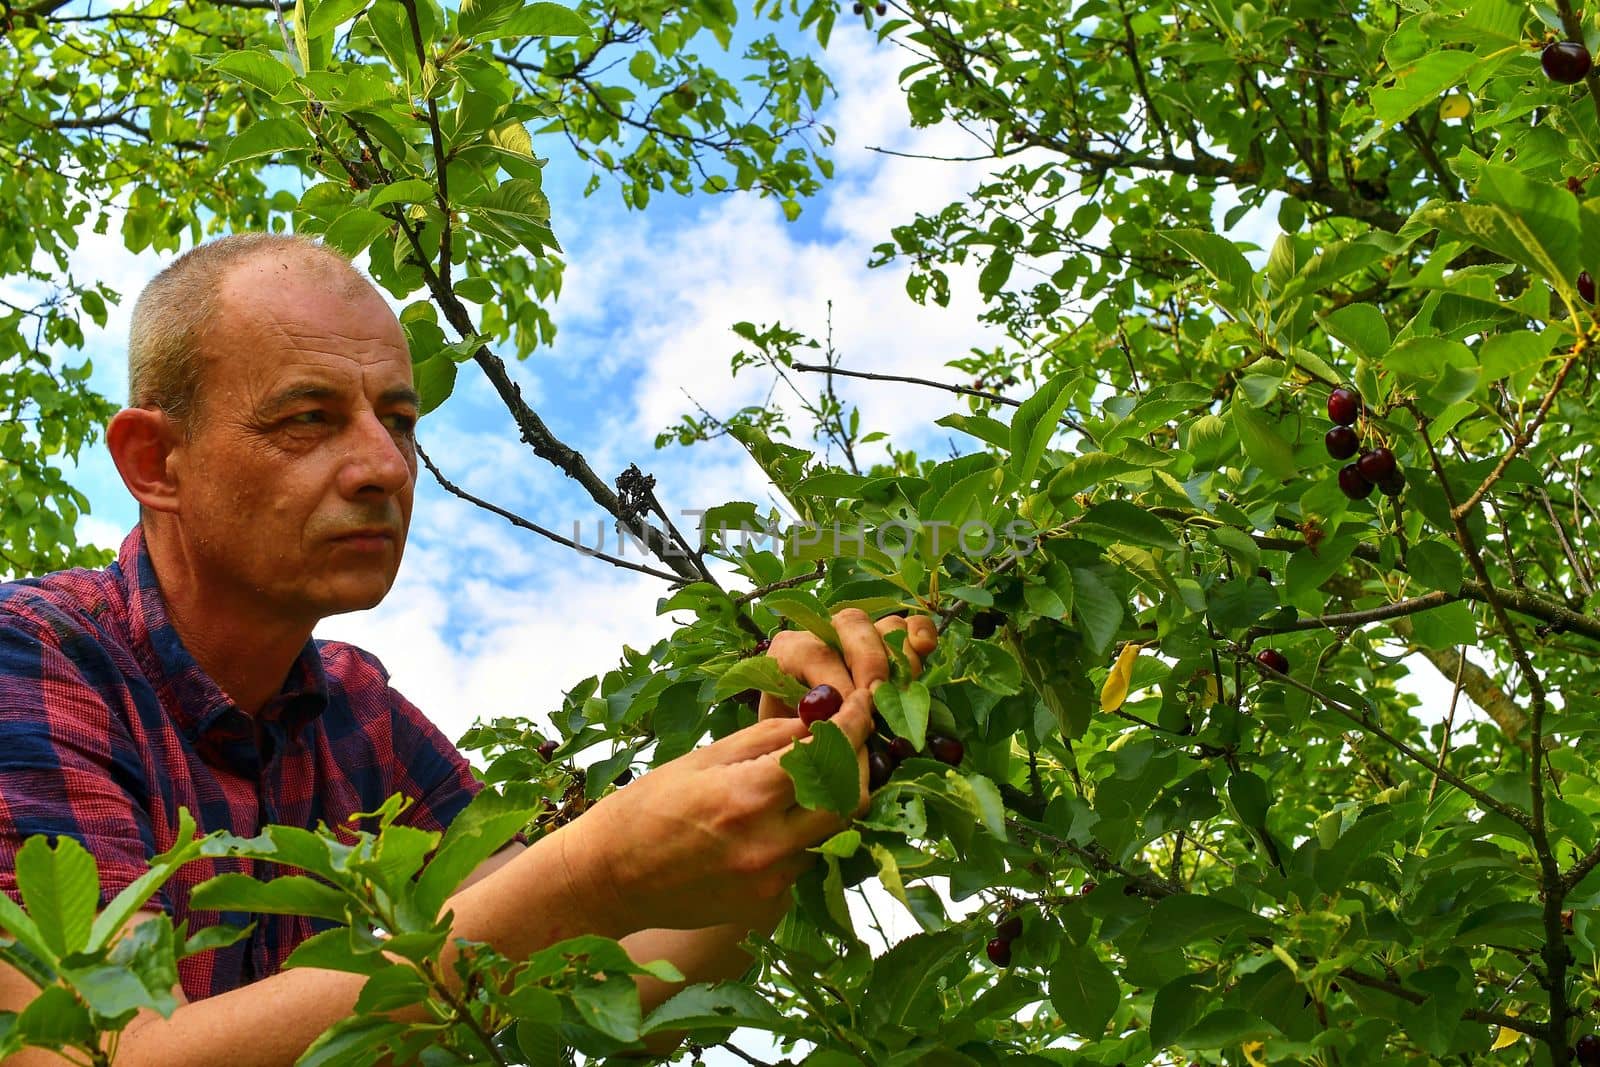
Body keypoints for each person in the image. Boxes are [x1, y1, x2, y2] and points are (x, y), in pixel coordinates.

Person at [0, 233, 938, 1065]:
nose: (383, 468)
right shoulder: (34, 660)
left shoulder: (361, 715)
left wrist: (791, 792)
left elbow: (607, 987)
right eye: (307, 418)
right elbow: (88, 1052)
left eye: (399, 422)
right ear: (155, 463)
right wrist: (588, 874)